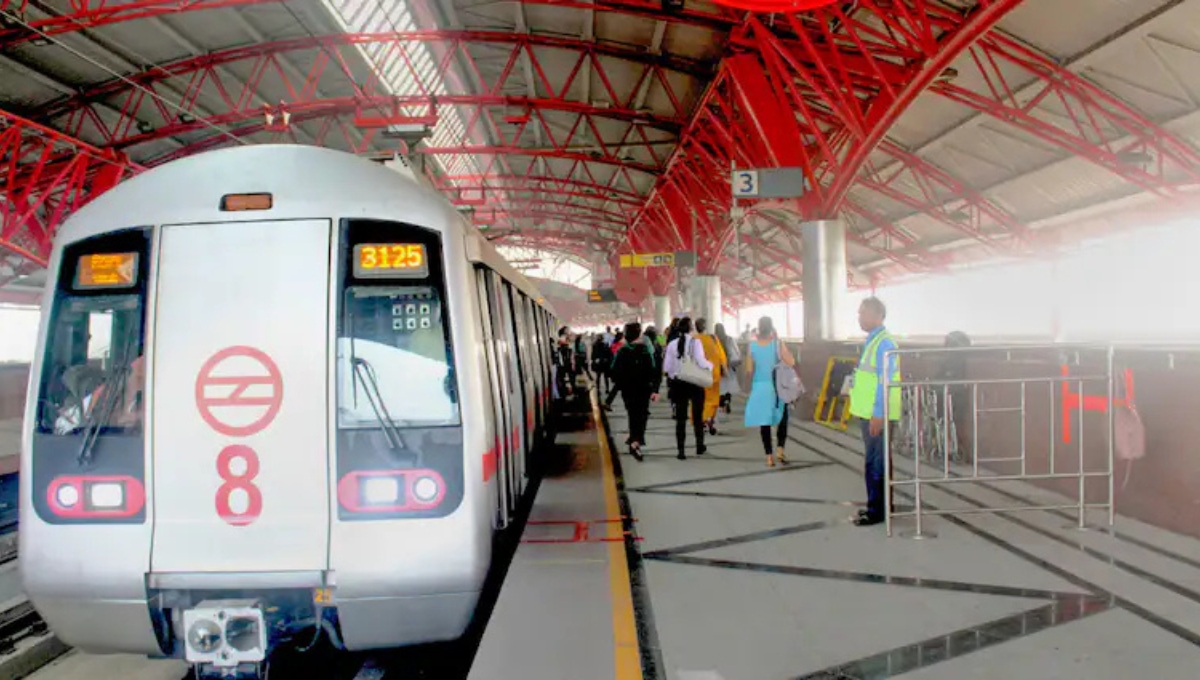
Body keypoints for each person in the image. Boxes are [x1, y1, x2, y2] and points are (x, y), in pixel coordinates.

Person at [847, 297, 901, 527]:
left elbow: (885, 380)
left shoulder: (884, 344)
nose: (859, 317)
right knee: (874, 460)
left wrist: (879, 413)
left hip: (878, 414)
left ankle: (877, 511)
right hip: (869, 411)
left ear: (877, 315)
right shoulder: (873, 340)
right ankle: (879, 506)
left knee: (876, 462)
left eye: (863, 313)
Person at [743, 317, 795, 467]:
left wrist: (749, 387)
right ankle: (780, 450)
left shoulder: (752, 346)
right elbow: (791, 362)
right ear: (772, 327)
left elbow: (749, 370)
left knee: (764, 421)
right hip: (778, 385)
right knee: (782, 418)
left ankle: (769, 457)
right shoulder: (777, 344)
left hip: (761, 386)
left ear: (758, 328)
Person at [611, 322, 662, 461]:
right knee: (642, 415)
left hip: (628, 391)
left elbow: (614, 372)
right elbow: (655, 371)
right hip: (644, 390)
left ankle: (635, 440)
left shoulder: (622, 351)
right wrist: (655, 389)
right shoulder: (646, 351)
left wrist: (622, 384)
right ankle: (636, 442)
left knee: (633, 414)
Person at [663, 317, 711, 460]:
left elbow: (667, 367)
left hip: (679, 384)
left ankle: (681, 451)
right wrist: (710, 367)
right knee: (697, 417)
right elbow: (701, 361)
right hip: (695, 383)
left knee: (680, 419)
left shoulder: (672, 344)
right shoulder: (696, 343)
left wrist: (674, 376)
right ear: (691, 328)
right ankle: (699, 446)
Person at [694, 319, 727, 435]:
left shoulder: (693, 340)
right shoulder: (713, 338)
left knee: (699, 399)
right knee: (713, 400)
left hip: (698, 375)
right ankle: (708, 421)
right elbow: (721, 355)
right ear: (705, 327)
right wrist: (724, 368)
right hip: (713, 374)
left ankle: (701, 420)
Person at [714, 323, 740, 415]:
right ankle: (727, 401)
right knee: (728, 386)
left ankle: (722, 403)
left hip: (718, 366)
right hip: (729, 366)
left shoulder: (714, 339)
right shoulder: (729, 339)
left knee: (721, 387)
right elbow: (736, 351)